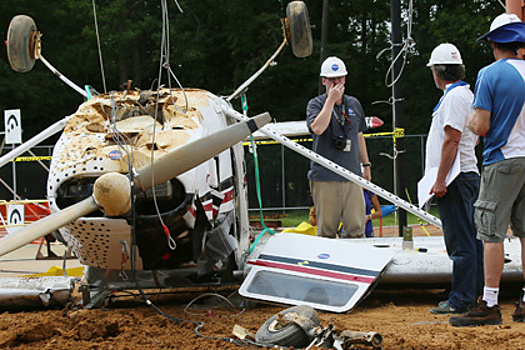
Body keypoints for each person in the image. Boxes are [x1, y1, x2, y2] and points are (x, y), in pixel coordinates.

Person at [449, 13, 525, 327]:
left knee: (490, 232)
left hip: (502, 158)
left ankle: (490, 302)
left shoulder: (490, 74)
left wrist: (469, 120)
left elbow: (481, 125)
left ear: (494, 43)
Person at [423, 43, 484, 316]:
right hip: (465, 174)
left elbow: (452, 139)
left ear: (437, 72)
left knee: (461, 239)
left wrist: (440, 179)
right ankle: (472, 292)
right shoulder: (464, 95)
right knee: (471, 237)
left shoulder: (454, 98)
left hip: (457, 177)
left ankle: (462, 298)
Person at [306, 56, 371, 239]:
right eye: (332, 79)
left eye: (340, 78)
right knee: (327, 229)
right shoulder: (316, 104)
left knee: (356, 228)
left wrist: (365, 165)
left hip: (351, 175)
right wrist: (330, 101)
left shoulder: (354, 104)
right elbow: (317, 128)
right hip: (325, 177)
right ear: (324, 81)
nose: (336, 83)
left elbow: (359, 135)